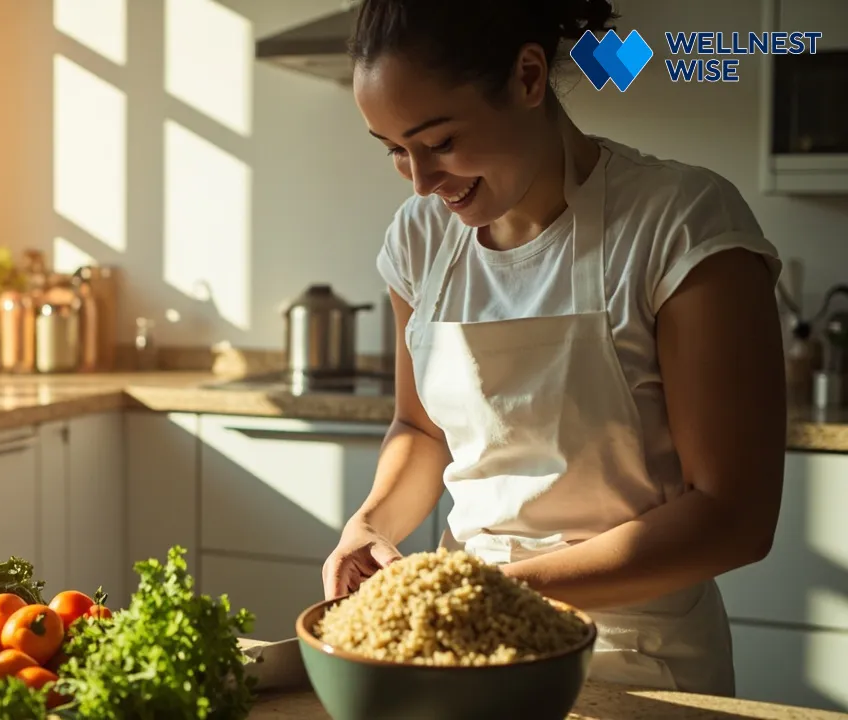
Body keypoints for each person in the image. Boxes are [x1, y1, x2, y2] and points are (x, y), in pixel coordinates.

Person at [322, 0, 788, 697]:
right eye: (395, 150)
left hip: (640, 660)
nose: (420, 181)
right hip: (462, 652)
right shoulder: (420, 241)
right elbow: (420, 429)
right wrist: (369, 522)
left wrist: (497, 592)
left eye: (440, 142)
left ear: (529, 77)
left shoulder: (680, 223)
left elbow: (734, 518)